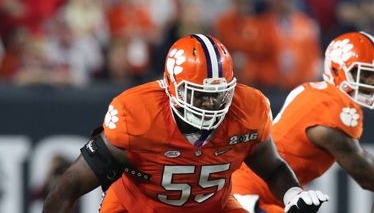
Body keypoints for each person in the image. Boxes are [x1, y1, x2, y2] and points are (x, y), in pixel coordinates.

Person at [43, 34, 329, 213]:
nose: (212, 105)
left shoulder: (249, 108)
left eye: (220, 96)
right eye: (200, 96)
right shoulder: (137, 115)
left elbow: (273, 167)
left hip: (213, 207)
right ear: (171, 87)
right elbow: (69, 185)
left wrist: (292, 195)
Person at [232, 31, 374, 213]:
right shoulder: (331, 106)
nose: (370, 82)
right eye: (364, 75)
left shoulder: (318, 93)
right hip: (250, 192)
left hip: (268, 192)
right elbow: (364, 173)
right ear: (337, 69)